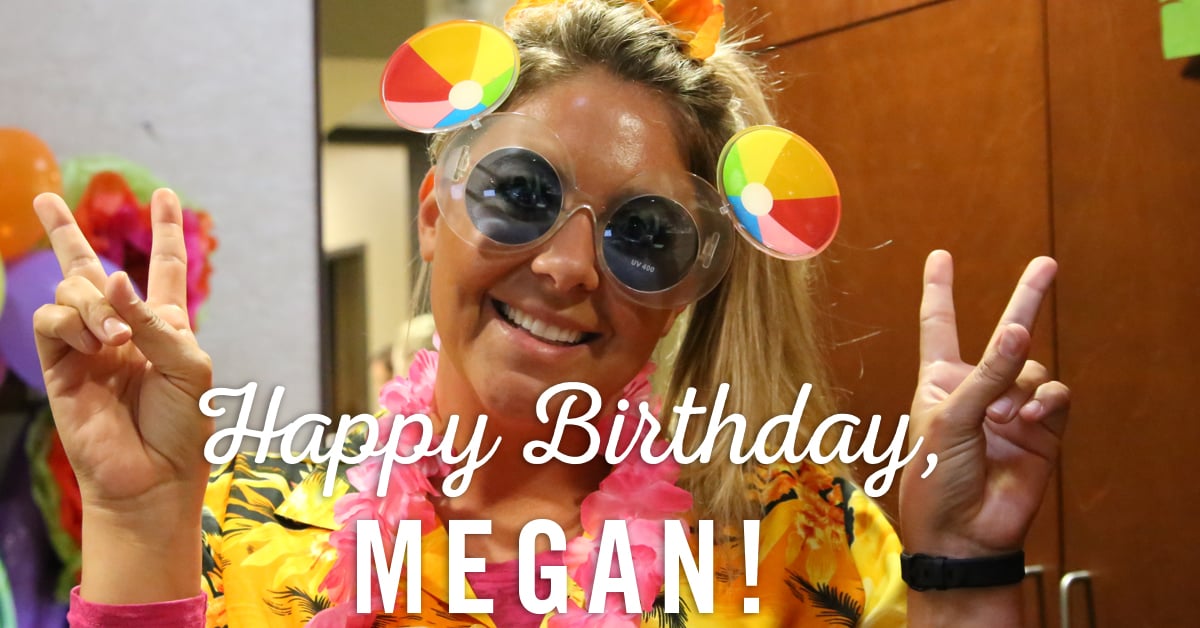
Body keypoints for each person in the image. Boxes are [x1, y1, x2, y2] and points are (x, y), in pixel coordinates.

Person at [29, 0, 1069, 626]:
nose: (569, 268)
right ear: (432, 214)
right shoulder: (245, 530)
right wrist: (135, 523)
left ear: (687, 287)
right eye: (521, 194)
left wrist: (964, 571)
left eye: (644, 234)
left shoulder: (800, 542)